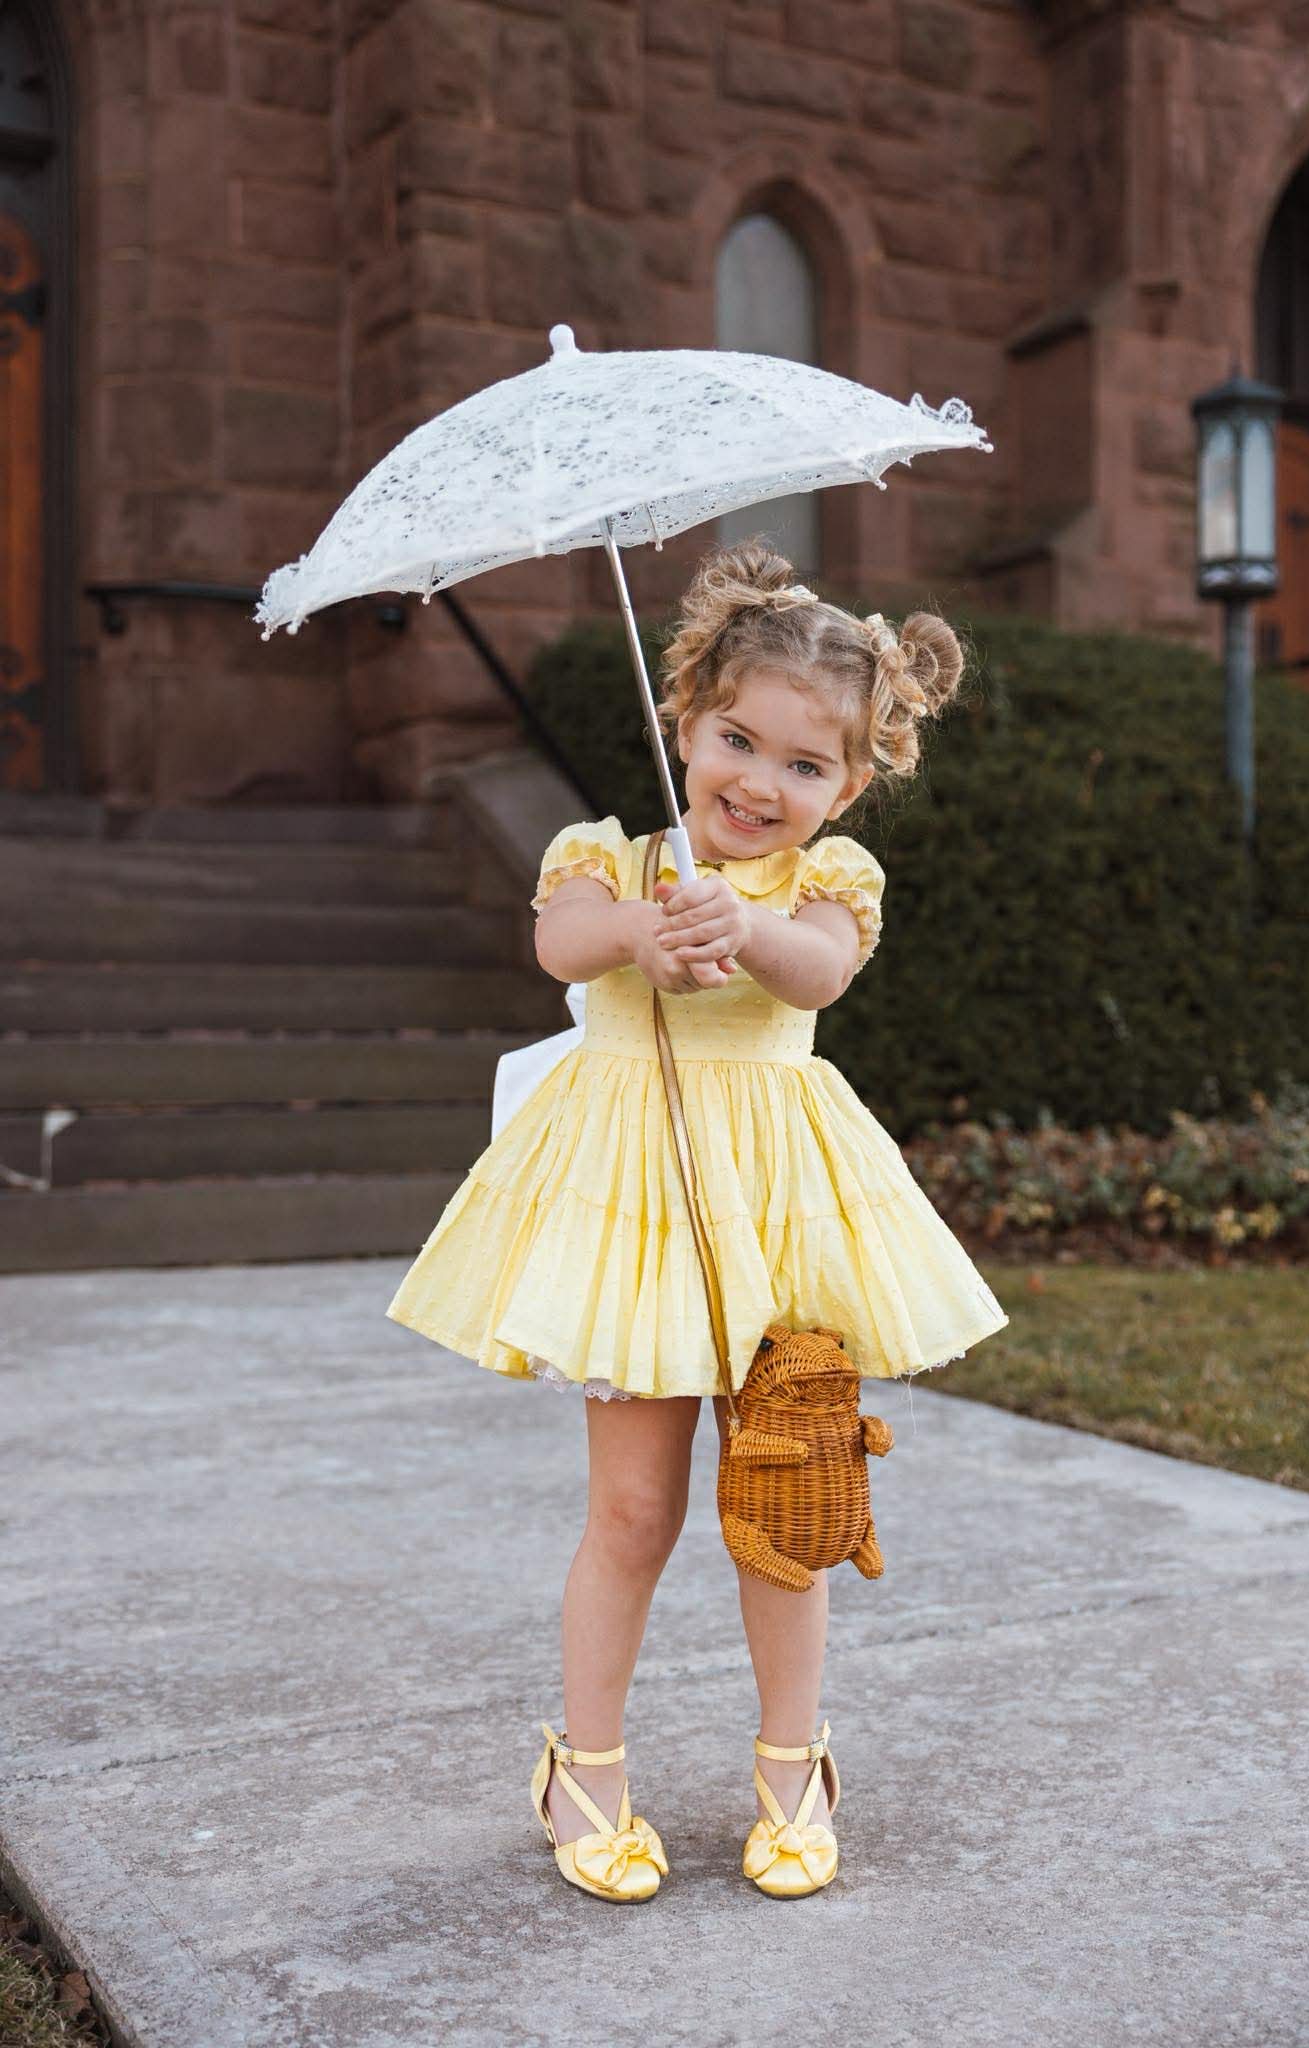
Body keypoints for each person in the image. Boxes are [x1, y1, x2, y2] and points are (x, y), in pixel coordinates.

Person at [385, 538, 1009, 1903]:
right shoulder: (605, 861)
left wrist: (736, 923)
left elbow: (819, 976)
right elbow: (559, 939)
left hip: (775, 1216)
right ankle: (585, 1768)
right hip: (636, 1225)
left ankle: (795, 1768)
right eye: (736, 739)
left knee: (785, 1495)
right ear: (685, 720)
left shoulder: (825, 886)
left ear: (850, 783)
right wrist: (636, 934)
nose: (759, 782)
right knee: (631, 1509)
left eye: (804, 766)